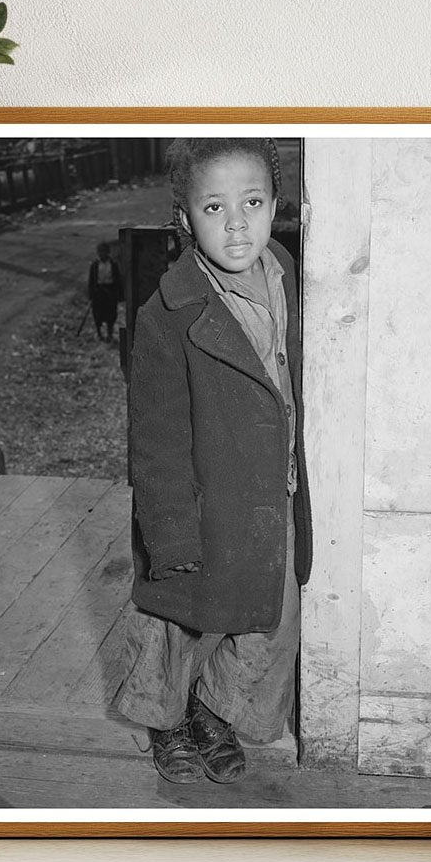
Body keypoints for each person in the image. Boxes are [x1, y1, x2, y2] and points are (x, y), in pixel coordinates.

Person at [113, 138, 313, 785]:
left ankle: (215, 712)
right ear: (184, 219)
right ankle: (165, 719)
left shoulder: (285, 272)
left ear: (276, 207)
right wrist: (168, 530)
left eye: (252, 203)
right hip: (201, 501)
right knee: (175, 625)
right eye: (214, 207)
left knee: (267, 620)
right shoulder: (166, 316)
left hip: (268, 496)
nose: (236, 224)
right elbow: (155, 438)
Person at [87, 241, 122, 342]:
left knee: (111, 313)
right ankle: (99, 333)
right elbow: (91, 281)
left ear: (108, 252)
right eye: (100, 252)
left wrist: (118, 294)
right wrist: (91, 294)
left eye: (104, 252)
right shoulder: (94, 265)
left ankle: (110, 333)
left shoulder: (113, 264)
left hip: (110, 292)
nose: (102, 254)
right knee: (98, 313)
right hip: (98, 292)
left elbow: (117, 280)